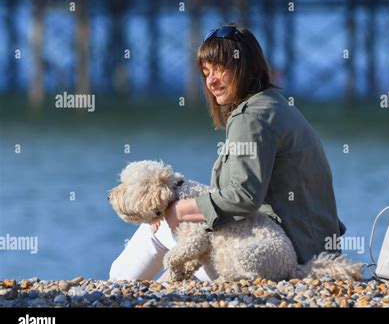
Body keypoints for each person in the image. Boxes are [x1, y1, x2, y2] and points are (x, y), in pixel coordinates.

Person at [109, 23, 346, 282]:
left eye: (220, 68)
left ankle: (117, 288)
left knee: (154, 233)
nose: (211, 81)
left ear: (246, 66)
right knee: (174, 261)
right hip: (312, 252)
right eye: (206, 72)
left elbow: (244, 197)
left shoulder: (251, 118)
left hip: (280, 258)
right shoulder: (275, 106)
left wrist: (177, 210)